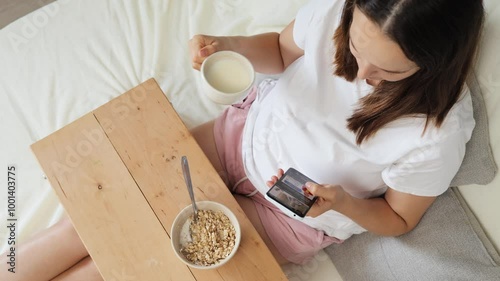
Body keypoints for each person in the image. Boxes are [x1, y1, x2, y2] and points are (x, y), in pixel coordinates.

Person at [0, 0, 485, 279]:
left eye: (390, 71)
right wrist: (227, 47)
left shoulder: (437, 133)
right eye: (357, 50)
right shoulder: (340, 9)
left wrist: (342, 204)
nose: (360, 74)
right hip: (244, 134)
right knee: (90, 219)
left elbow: (398, 219)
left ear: (438, 62)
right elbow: (277, 49)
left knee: (119, 264)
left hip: (293, 212)